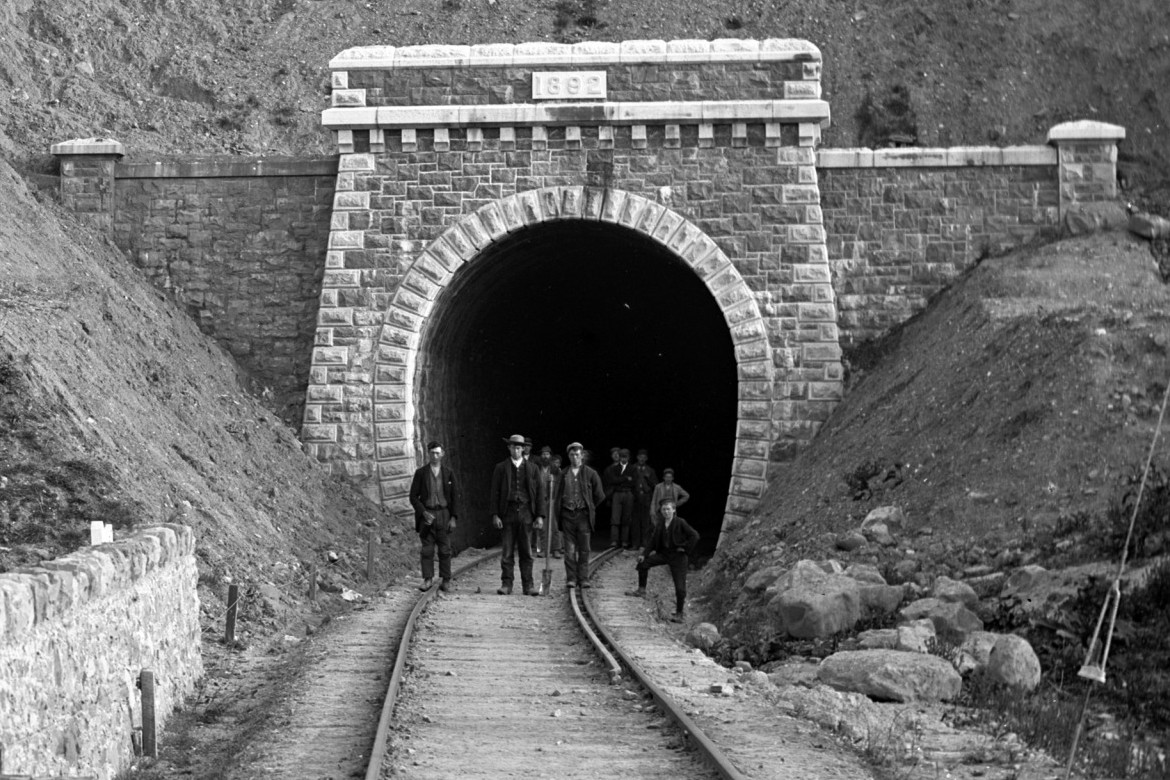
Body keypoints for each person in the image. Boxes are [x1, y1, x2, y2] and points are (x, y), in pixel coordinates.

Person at [490, 434, 546, 595]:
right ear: (509, 448)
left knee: (527, 551)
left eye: (519, 447)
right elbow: (494, 492)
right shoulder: (501, 468)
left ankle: (528, 586)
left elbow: (540, 493)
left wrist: (540, 516)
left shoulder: (533, 468)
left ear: (523, 449)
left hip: (526, 513)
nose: (516, 450)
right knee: (507, 551)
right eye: (513, 447)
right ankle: (506, 584)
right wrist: (495, 514)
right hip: (507, 513)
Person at [625, 499, 699, 622]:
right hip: (664, 554)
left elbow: (695, 536)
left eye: (668, 509)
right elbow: (653, 541)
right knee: (643, 564)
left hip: (678, 557)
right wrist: (644, 554)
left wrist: (685, 549)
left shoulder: (680, 522)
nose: (666, 512)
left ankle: (679, 613)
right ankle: (641, 590)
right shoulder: (660, 523)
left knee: (680, 588)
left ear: (674, 510)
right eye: (664, 509)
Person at [552, 442, 606, 589]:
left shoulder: (590, 473)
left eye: (577, 454)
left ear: (582, 455)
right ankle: (571, 578)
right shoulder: (563, 474)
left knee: (584, 549)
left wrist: (589, 505)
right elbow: (557, 496)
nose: (575, 457)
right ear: (568, 456)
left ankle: (583, 579)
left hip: (583, 515)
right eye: (572, 454)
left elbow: (600, 495)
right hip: (567, 515)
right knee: (569, 550)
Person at [408, 441, 459, 592]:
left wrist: (453, 517)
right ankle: (428, 579)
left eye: (437, 453)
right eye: (432, 453)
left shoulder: (448, 473)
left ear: (442, 454)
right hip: (427, 514)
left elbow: (455, 497)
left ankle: (446, 579)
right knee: (427, 549)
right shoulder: (421, 473)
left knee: (445, 549)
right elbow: (413, 496)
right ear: (428, 453)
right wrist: (423, 512)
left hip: (444, 514)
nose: (435, 456)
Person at [530, 445, 563, 556]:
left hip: (552, 499)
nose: (545, 456)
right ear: (540, 456)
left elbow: (560, 485)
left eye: (547, 454)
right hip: (540, 500)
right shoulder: (536, 468)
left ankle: (556, 549)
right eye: (543, 454)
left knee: (554, 525)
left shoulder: (555, 469)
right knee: (541, 525)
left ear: (550, 456)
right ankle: (542, 549)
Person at [603, 447, 636, 548]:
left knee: (626, 518)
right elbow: (613, 480)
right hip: (617, 493)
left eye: (625, 457)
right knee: (615, 518)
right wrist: (626, 478)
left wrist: (620, 480)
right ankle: (614, 540)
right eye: (621, 457)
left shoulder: (632, 468)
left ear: (629, 457)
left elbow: (633, 482)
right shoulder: (613, 468)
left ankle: (624, 541)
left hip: (628, 493)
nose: (623, 459)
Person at [631, 448, 658, 550]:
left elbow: (655, 485)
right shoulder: (632, 468)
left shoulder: (650, 470)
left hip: (646, 497)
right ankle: (635, 544)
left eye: (644, 457)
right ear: (637, 457)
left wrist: (649, 481)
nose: (642, 459)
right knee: (635, 522)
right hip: (635, 497)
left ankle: (645, 543)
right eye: (640, 457)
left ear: (646, 459)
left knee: (646, 522)